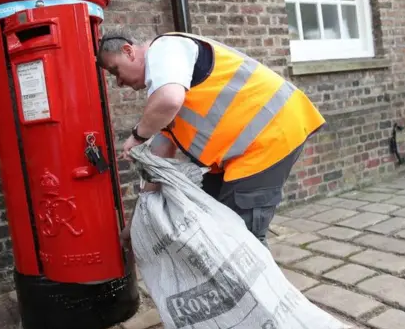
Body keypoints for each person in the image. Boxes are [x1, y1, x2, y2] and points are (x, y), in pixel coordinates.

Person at [97, 27, 326, 248]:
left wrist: (137, 137)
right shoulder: (168, 84)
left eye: (115, 70)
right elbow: (159, 160)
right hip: (248, 148)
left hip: (270, 136)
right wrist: (136, 223)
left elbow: (169, 100)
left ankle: (266, 288)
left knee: (241, 241)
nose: (118, 82)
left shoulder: (165, 48)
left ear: (128, 51)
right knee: (210, 223)